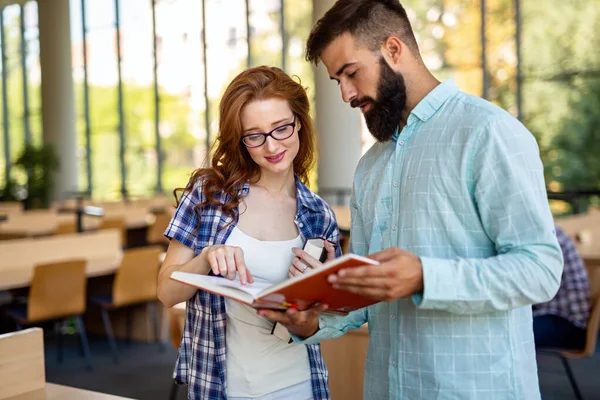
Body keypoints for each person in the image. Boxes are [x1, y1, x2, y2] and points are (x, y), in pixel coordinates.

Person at [259, 1, 564, 399]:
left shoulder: (489, 133)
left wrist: (424, 276)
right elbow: (366, 293)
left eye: (351, 73)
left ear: (394, 49)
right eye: (337, 80)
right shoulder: (370, 166)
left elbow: (540, 270)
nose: (347, 94)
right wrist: (312, 323)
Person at [157, 66, 340, 400]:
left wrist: (319, 291)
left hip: (299, 384)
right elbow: (167, 293)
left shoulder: (319, 215)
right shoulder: (208, 195)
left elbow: (328, 320)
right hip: (223, 386)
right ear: (239, 140)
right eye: (255, 135)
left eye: (281, 128)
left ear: (299, 122)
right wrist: (205, 259)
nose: (272, 146)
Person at [533, 225, 591, 349]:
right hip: (553, 314)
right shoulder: (544, 231)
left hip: (568, 322)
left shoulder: (546, 236)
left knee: (507, 333)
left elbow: (532, 289)